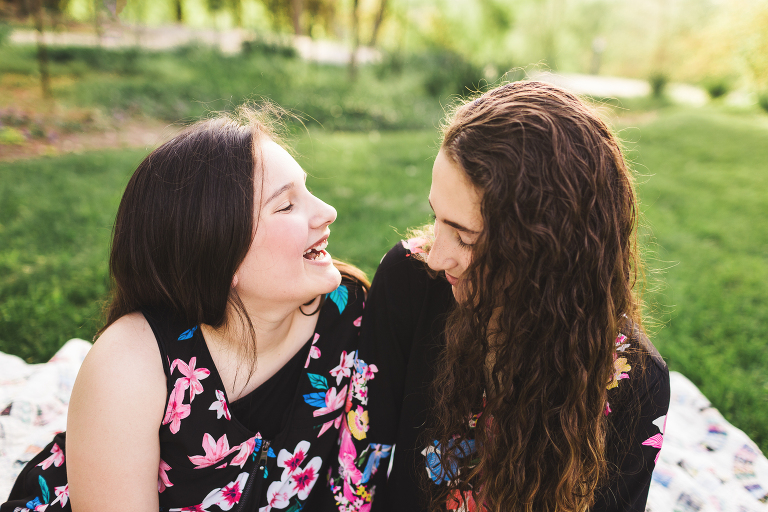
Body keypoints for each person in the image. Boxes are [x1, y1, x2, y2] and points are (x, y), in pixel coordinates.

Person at [2, 106, 368, 512]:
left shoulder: (347, 312)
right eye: (286, 206)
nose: (327, 211)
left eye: (307, 190)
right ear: (218, 254)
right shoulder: (131, 363)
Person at [327, 81, 670, 512]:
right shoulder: (411, 282)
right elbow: (356, 470)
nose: (437, 258)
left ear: (549, 254)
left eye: (466, 238)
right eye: (438, 220)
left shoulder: (631, 379)